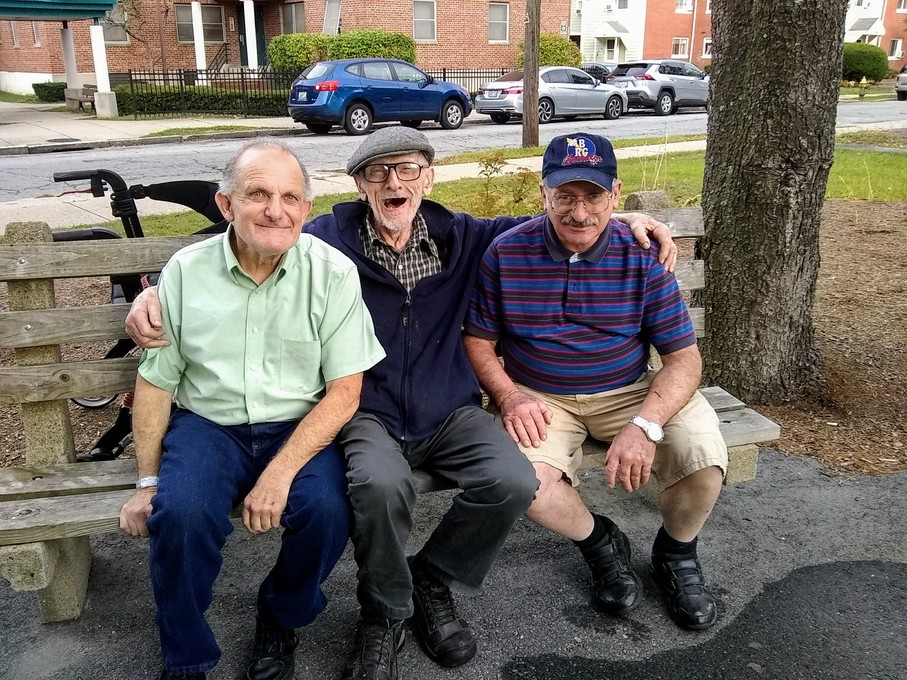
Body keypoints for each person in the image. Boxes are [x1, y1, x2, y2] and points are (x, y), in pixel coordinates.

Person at [126, 127, 678, 679]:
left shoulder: (463, 237)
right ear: (360, 186)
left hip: (450, 410)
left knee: (513, 479)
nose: (395, 182)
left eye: (409, 169)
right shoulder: (327, 242)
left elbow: (562, 221)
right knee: (375, 486)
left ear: (428, 178)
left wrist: (628, 218)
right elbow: (246, 237)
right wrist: (152, 292)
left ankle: (431, 581)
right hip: (369, 412)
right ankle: (383, 615)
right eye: (377, 172)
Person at [118, 140, 386, 680]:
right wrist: (146, 482)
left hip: (299, 425)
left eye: (290, 197)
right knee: (182, 516)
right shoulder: (186, 273)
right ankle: (187, 657)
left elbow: (344, 393)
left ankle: (280, 617)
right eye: (257, 194)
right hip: (209, 426)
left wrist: (279, 475)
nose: (275, 210)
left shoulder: (332, 273)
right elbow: (155, 382)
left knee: (329, 512)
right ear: (225, 205)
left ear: (305, 210)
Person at [463, 133, 728, 632]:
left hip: (631, 389)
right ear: (544, 194)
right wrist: (509, 396)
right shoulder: (507, 253)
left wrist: (647, 425)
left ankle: (676, 552)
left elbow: (684, 360)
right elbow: (478, 341)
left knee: (703, 460)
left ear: (615, 193)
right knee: (526, 485)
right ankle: (599, 541)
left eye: (593, 196)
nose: (579, 213)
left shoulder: (643, 253)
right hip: (540, 396)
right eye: (565, 196)